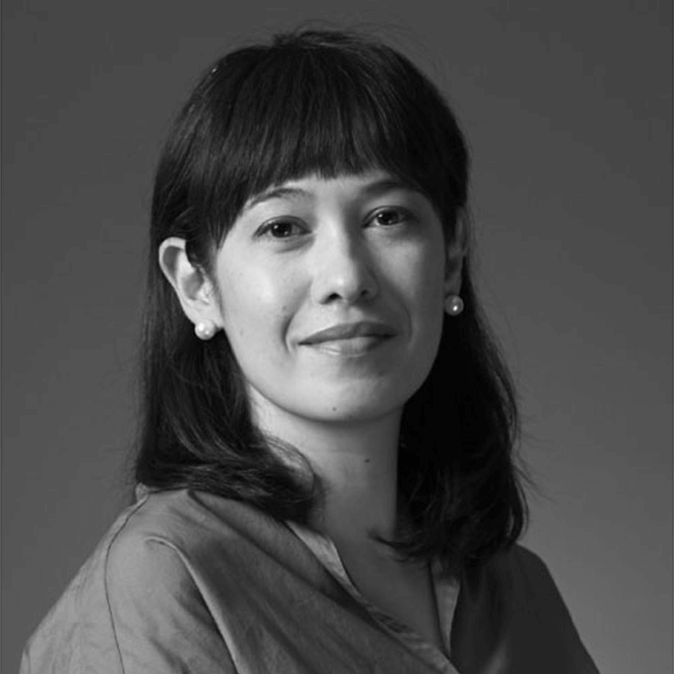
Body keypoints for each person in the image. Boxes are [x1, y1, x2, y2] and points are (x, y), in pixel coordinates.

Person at [20, 28, 600, 674]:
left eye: (387, 217)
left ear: (452, 256)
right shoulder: (163, 577)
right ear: (196, 285)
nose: (347, 277)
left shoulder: (519, 591)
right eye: (283, 228)